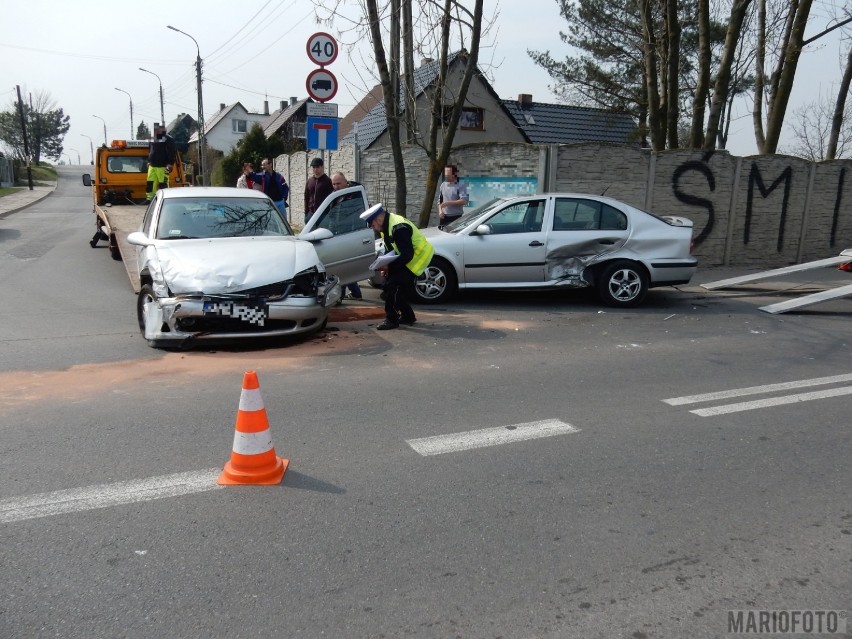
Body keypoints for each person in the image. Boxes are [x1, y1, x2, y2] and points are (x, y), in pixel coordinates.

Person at [360, 203, 435, 331]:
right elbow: (391, 249)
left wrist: (389, 266)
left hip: (417, 258)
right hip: (407, 258)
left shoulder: (398, 227)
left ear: (378, 219)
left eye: (373, 225)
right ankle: (408, 316)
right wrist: (386, 265)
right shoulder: (386, 226)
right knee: (388, 285)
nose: (374, 229)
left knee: (393, 286)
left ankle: (391, 320)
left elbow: (407, 254)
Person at [331, 171, 363, 301]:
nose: (336, 186)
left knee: (343, 266)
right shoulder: (335, 195)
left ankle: (342, 294)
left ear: (346, 182)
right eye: (333, 184)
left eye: (338, 183)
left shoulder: (355, 194)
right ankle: (354, 293)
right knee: (343, 266)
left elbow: (356, 215)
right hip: (339, 233)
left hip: (351, 234)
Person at [146, 123, 177, 201]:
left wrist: (170, 163)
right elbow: (151, 150)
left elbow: (172, 152)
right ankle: (150, 199)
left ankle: (165, 199)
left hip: (163, 166)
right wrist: (149, 161)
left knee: (163, 184)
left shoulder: (168, 139)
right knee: (150, 183)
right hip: (152, 166)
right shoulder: (153, 139)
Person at [437, 164, 468, 229]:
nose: (446, 177)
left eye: (448, 175)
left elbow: (464, 201)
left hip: (455, 217)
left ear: (455, 174)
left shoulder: (461, 185)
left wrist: (448, 203)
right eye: (446, 175)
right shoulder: (443, 185)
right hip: (443, 217)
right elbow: (440, 201)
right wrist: (440, 211)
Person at [304, 157, 334, 223]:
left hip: (323, 214)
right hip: (311, 214)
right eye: (313, 167)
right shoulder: (309, 181)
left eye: (317, 167)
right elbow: (306, 197)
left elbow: (332, 198)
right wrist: (306, 213)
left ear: (322, 167)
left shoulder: (328, 181)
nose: (315, 169)